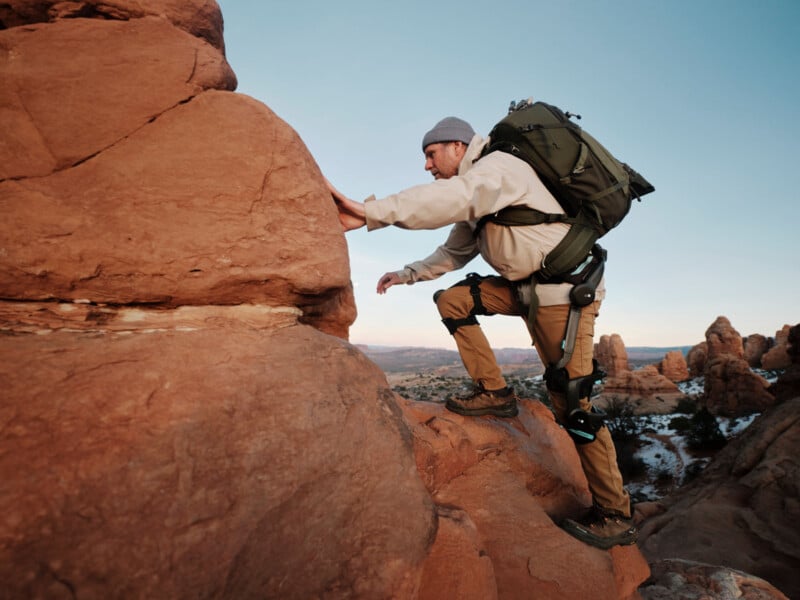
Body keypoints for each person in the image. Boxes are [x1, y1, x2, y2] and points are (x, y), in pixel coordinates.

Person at [327, 115, 637, 549]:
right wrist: (406, 274)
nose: (427, 166)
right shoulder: (480, 186)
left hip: (561, 296)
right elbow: (455, 251)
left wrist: (370, 211)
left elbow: (452, 198)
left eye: (431, 155)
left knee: (573, 406)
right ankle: (495, 392)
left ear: (457, 146)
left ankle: (615, 513)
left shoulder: (498, 168)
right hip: (524, 290)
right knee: (453, 300)